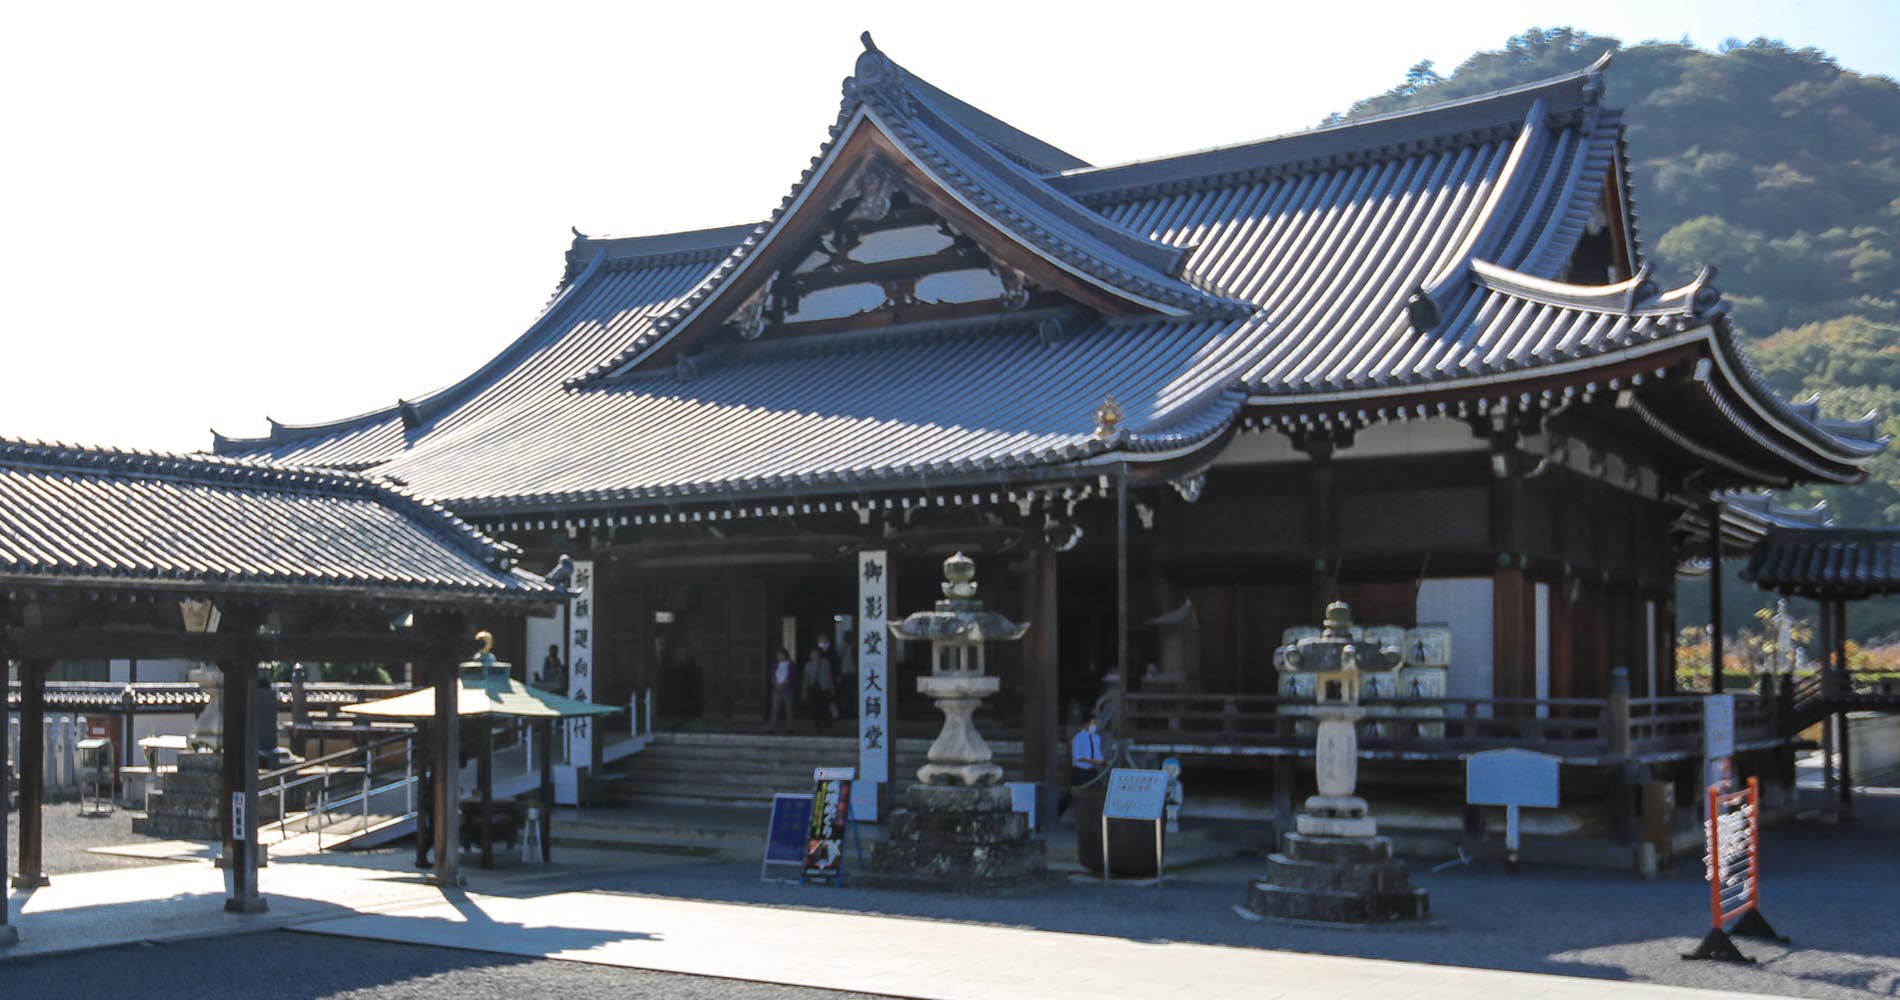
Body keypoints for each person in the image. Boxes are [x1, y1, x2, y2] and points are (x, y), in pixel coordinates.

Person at [803, 645, 835, 735]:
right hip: (813, 688)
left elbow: (829, 675)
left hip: (824, 687)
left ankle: (826, 724)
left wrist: (832, 687)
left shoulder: (825, 662)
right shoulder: (808, 665)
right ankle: (817, 725)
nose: (814, 655)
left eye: (816, 653)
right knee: (814, 707)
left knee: (824, 707)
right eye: (812, 653)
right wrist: (804, 690)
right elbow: (806, 678)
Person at [767, 647, 797, 734]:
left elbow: (792, 677)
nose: (779, 656)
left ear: (785, 655)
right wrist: (776, 683)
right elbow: (773, 675)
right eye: (778, 655)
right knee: (774, 709)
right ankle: (771, 727)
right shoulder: (776, 664)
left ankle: (790, 728)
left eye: (781, 655)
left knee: (789, 709)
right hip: (777, 690)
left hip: (787, 689)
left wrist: (783, 684)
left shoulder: (791, 665)